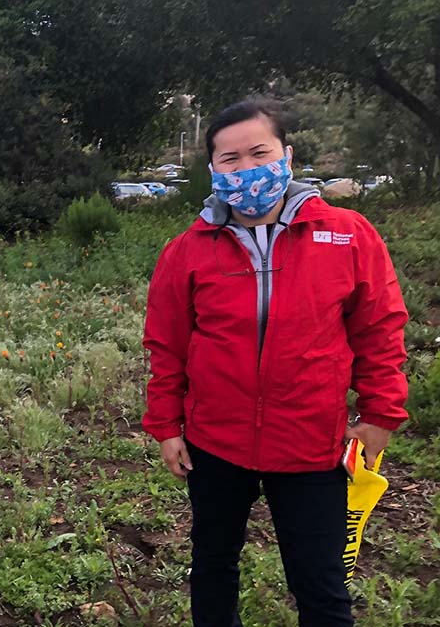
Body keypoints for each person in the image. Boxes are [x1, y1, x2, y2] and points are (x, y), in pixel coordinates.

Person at [142, 98, 409, 627]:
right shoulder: (188, 250)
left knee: (322, 583)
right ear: (214, 169)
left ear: (286, 155)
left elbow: (379, 329)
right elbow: (167, 346)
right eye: (230, 159)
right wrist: (166, 425)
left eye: (258, 152)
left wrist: (380, 413)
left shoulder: (348, 234)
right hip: (215, 442)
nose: (246, 169)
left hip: (312, 442)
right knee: (213, 565)